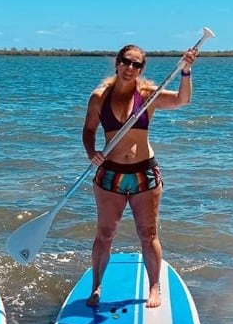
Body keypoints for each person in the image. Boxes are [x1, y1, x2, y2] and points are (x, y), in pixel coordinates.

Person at [82, 44, 198, 309]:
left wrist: (186, 71)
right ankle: (97, 285)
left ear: (141, 69)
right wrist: (92, 152)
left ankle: (154, 287)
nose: (130, 68)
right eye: (126, 62)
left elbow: (182, 100)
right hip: (110, 174)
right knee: (104, 234)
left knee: (148, 234)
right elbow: (88, 131)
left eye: (136, 65)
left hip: (144, 174)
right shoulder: (99, 97)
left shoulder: (148, 95)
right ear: (117, 63)